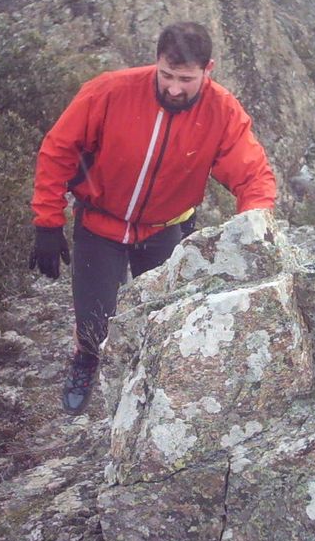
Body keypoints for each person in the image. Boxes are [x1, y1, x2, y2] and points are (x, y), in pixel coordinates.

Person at [29, 22, 277, 413]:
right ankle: (86, 359)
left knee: (159, 320)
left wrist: (255, 229)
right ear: (156, 62)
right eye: (166, 75)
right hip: (100, 222)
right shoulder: (110, 91)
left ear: (208, 69)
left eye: (186, 79)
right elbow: (59, 149)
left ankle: (151, 385)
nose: (174, 88)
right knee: (96, 322)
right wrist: (47, 221)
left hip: (164, 228)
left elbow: (252, 176)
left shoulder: (223, 111)